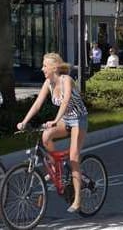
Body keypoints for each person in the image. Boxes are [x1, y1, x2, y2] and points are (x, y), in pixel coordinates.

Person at [16, 53, 88, 213]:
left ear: (54, 68)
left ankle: (77, 199)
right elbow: (37, 104)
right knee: (46, 136)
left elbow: (66, 100)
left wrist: (55, 120)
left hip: (79, 120)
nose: (42, 68)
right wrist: (24, 121)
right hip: (66, 119)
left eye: (44, 66)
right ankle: (57, 170)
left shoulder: (66, 80)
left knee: (74, 157)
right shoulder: (48, 83)